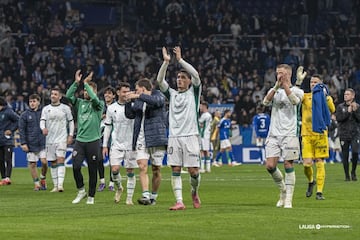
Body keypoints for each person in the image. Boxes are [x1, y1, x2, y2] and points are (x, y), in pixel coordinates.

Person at [157, 46, 201, 210]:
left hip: (191, 136)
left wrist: (180, 60)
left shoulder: (194, 93)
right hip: (174, 137)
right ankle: (179, 201)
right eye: (178, 77)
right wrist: (166, 63)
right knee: (175, 168)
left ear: (189, 81)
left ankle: (194, 192)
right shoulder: (172, 94)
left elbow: (196, 74)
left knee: (193, 172)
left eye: (183, 77)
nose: (179, 80)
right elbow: (160, 81)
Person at [262, 64, 304, 208]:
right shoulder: (274, 91)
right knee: (270, 166)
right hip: (273, 134)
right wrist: (276, 87)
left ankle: (288, 199)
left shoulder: (297, 90)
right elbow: (265, 102)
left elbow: (295, 102)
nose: (279, 76)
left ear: (288, 74)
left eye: (281, 73)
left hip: (290, 134)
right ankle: (283, 190)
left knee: (288, 164)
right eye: (277, 73)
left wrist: (285, 86)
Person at [125, 78, 168, 205]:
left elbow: (156, 102)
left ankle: (153, 196)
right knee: (142, 166)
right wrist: (128, 102)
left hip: (156, 137)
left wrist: (139, 96)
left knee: (156, 169)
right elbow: (130, 115)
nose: (135, 91)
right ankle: (145, 195)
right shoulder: (138, 100)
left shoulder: (158, 95)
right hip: (141, 138)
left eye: (137, 89)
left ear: (143, 89)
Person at [66, 70, 104, 204]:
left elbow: (94, 98)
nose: (86, 92)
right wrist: (77, 83)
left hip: (93, 140)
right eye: (85, 91)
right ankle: (81, 190)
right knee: (76, 166)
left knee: (92, 170)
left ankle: (91, 196)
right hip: (80, 141)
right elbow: (68, 95)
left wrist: (86, 83)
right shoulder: (80, 103)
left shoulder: (99, 105)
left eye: (89, 90)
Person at [297, 72, 335, 200]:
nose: (313, 84)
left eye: (315, 82)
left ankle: (319, 192)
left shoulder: (326, 98)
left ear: (321, 84)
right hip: (307, 134)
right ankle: (311, 181)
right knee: (307, 164)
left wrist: (325, 97)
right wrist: (298, 82)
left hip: (320, 134)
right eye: (311, 82)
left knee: (320, 162)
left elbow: (332, 109)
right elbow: (294, 98)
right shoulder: (305, 96)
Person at [102, 82, 138, 205]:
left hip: (130, 144)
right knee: (115, 170)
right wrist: (104, 145)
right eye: (124, 92)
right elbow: (107, 127)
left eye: (128, 92)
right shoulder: (111, 108)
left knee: (130, 171)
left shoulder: (134, 106)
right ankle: (119, 188)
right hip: (116, 144)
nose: (126, 94)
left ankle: (129, 198)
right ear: (118, 93)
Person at [40, 87, 74, 192]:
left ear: (59, 96)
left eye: (55, 94)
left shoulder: (65, 108)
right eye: (52, 94)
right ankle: (55, 186)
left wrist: (70, 135)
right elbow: (42, 121)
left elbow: (71, 122)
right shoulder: (46, 109)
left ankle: (60, 185)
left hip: (61, 138)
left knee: (60, 159)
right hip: (50, 139)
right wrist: (43, 128)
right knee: (53, 162)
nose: (53, 96)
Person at [19, 94, 48, 191]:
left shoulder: (43, 113)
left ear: (38, 102)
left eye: (34, 101)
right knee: (32, 164)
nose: (32, 103)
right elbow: (22, 130)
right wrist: (23, 143)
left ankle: (43, 178)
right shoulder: (24, 115)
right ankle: (36, 184)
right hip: (31, 143)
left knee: (44, 162)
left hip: (43, 142)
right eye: (30, 102)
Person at [335, 88, 360, 181]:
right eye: (345, 94)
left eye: (348, 94)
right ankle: (347, 175)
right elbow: (339, 118)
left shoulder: (357, 106)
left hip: (355, 134)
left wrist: (355, 111)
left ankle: (353, 171)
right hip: (344, 134)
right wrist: (348, 112)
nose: (345, 96)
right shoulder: (340, 107)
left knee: (355, 152)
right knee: (345, 155)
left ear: (353, 96)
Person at [97, 86, 116, 192]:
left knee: (112, 161)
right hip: (100, 135)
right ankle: (102, 182)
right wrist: (101, 116)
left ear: (114, 95)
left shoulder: (116, 107)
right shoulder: (100, 106)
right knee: (99, 159)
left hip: (112, 136)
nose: (107, 95)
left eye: (109, 93)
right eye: (105, 93)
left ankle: (112, 183)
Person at [0, 97, 19, 185]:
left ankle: (8, 178)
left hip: (7, 140)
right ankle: (3, 178)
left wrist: (11, 130)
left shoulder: (8, 111)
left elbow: (18, 120)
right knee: (0, 160)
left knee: (8, 159)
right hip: (0, 140)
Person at [198, 101, 213, 173]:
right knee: (206, 151)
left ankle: (202, 168)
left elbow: (199, 123)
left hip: (203, 135)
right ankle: (208, 168)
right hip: (207, 135)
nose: (200, 108)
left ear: (204, 106)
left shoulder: (204, 115)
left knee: (201, 151)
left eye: (201, 106)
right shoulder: (209, 115)